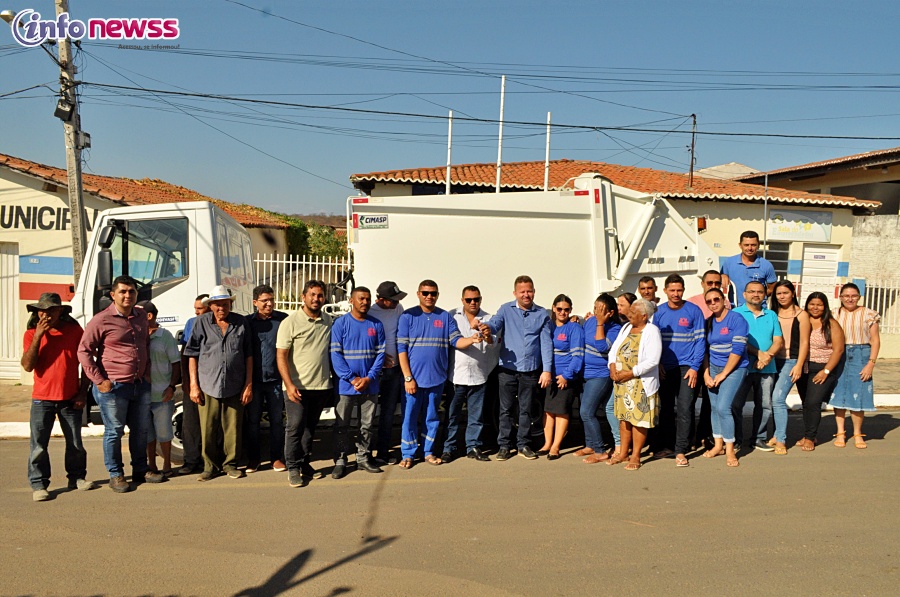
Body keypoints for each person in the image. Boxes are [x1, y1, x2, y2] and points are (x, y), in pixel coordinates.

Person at [78, 276, 159, 492]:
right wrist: (99, 380)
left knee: (141, 430)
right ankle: (116, 474)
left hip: (139, 384)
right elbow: (83, 351)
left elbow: (145, 344)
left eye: (131, 291)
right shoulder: (101, 320)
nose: (127, 295)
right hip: (113, 387)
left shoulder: (141, 315)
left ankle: (141, 469)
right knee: (114, 431)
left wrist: (147, 372)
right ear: (113, 295)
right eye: (122, 291)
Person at [21, 293, 95, 501]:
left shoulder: (75, 332)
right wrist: (38, 335)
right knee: (38, 446)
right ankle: (39, 484)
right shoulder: (30, 334)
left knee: (75, 443)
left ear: (60, 311)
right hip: (41, 399)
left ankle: (77, 478)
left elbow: (87, 363)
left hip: (70, 397)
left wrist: (82, 392)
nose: (46, 314)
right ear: (37, 312)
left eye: (51, 310)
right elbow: (27, 366)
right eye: (42, 310)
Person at [398, 280, 479, 468]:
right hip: (413, 381)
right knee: (409, 418)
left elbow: (456, 341)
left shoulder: (444, 317)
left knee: (432, 418)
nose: (429, 297)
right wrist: (408, 377)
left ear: (437, 295)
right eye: (425, 293)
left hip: (436, 379)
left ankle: (428, 452)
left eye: (433, 293)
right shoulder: (408, 316)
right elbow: (401, 349)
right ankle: (408, 454)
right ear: (418, 294)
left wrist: (472, 339)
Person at [183, 285, 253, 481]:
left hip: (235, 383)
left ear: (230, 304)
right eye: (218, 305)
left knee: (233, 429)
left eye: (225, 304)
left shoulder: (240, 323)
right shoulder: (201, 323)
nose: (222, 308)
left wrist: (248, 384)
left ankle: (230, 464)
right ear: (211, 306)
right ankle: (210, 466)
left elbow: (248, 354)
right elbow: (192, 354)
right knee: (209, 428)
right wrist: (194, 385)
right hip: (207, 384)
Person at [481, 275, 553, 462]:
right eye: (522, 292)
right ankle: (504, 446)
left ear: (534, 291)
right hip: (507, 369)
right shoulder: (506, 309)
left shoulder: (542, 314)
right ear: (515, 293)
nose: (526, 295)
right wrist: (486, 328)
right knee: (505, 410)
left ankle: (523, 445)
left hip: (530, 370)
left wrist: (547, 370)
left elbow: (546, 344)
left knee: (526, 409)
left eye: (529, 291)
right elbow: (495, 324)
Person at [277, 280, 334, 487]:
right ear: (303, 297)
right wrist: (289, 384)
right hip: (296, 388)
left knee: (310, 428)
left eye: (320, 295)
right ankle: (292, 467)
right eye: (312, 295)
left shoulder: (328, 320)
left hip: (320, 387)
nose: (316, 299)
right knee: (294, 427)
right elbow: (281, 356)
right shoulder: (290, 322)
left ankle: (304, 463)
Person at [329, 286, 386, 478]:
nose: (365, 302)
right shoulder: (341, 324)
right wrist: (352, 378)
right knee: (342, 425)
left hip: (370, 385)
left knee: (367, 425)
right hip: (346, 386)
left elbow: (380, 354)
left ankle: (363, 458)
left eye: (368, 299)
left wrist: (369, 377)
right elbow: (335, 355)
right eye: (361, 298)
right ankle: (341, 460)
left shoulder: (376, 324)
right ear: (351, 300)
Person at [652, 274, 705, 467]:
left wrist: (694, 367)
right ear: (665, 291)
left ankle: (681, 450)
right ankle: (667, 446)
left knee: (684, 408)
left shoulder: (694, 311)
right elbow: (653, 342)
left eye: (679, 290)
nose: (676, 294)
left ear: (683, 290)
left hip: (686, 368)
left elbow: (700, 341)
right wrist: (657, 364)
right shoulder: (658, 313)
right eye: (672, 290)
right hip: (665, 368)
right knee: (665, 409)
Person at [444, 285, 498, 463]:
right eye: (469, 300)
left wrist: (488, 334)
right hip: (456, 376)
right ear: (462, 301)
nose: (473, 302)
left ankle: (473, 446)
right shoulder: (452, 316)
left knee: (476, 416)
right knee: (452, 415)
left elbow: (494, 344)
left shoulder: (488, 318)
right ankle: (448, 448)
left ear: (481, 299)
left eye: (476, 299)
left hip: (478, 375)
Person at [607, 299, 662, 471]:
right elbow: (614, 350)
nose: (629, 314)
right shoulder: (626, 328)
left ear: (644, 316)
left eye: (633, 312)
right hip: (622, 384)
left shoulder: (652, 331)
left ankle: (636, 455)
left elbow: (653, 360)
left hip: (640, 384)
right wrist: (612, 367)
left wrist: (630, 373)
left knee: (639, 421)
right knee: (624, 420)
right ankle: (623, 452)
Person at [731, 281, 783, 452]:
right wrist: (758, 353)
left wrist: (766, 357)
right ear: (744, 294)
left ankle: (758, 438)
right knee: (736, 404)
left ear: (765, 295)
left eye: (760, 292)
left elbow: (778, 341)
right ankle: (736, 439)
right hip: (741, 367)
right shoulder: (735, 314)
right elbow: (736, 340)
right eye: (752, 291)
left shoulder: (771, 315)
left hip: (767, 368)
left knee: (764, 405)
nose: (756, 294)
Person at [702, 287, 749, 468]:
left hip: (735, 368)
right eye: (709, 301)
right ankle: (718, 445)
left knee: (723, 407)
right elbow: (704, 350)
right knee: (714, 407)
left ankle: (730, 450)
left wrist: (723, 374)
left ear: (724, 300)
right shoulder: (708, 322)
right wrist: (706, 373)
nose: (713, 303)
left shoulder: (737, 319)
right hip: (713, 367)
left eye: (716, 299)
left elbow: (737, 351)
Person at [831, 283, 880, 450]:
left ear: (859, 297)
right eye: (846, 296)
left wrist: (870, 364)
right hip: (840, 354)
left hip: (861, 353)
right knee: (840, 394)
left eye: (853, 296)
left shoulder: (869, 314)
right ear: (841, 297)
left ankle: (858, 433)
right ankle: (840, 432)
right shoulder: (834, 314)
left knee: (858, 395)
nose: (850, 299)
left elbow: (875, 340)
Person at [245, 284, 288, 473]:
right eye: (264, 301)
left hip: (276, 381)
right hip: (253, 381)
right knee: (252, 422)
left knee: (277, 421)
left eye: (271, 299)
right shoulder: (247, 323)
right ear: (255, 303)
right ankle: (253, 459)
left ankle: (276, 458)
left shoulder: (283, 320)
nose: (269, 304)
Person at [796, 292, 845, 451]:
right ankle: (808, 434)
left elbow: (838, 350)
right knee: (806, 404)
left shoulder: (831, 324)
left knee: (813, 402)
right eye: (812, 304)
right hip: (804, 368)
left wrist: (826, 371)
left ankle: (810, 438)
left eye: (819, 304)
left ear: (825, 306)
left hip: (823, 367)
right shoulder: (803, 320)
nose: (815, 307)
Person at [137, 300, 181, 479]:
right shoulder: (137, 335)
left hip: (162, 393)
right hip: (142, 395)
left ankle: (167, 463)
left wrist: (171, 387)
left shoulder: (165, 336)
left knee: (164, 432)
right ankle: (152, 464)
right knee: (148, 433)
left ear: (149, 316)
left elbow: (176, 364)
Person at [538, 294, 584, 460]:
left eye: (566, 309)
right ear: (553, 308)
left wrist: (566, 375)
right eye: (559, 309)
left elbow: (578, 356)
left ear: (571, 310)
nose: (563, 312)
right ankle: (547, 444)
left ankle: (556, 446)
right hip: (549, 375)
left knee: (561, 412)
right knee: (548, 411)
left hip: (565, 377)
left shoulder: (574, 328)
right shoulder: (549, 326)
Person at [578, 294, 622, 464]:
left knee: (586, 412)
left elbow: (602, 347)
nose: (597, 311)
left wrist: (600, 323)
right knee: (585, 411)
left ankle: (600, 450)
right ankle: (589, 444)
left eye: (601, 309)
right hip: (585, 373)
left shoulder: (615, 329)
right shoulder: (589, 322)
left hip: (600, 374)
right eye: (595, 307)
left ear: (610, 312)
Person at [769, 281, 810, 455]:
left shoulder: (801, 315)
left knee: (778, 398)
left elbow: (804, 342)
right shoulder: (772, 313)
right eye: (779, 293)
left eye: (785, 293)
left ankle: (781, 440)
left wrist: (799, 365)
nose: (782, 296)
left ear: (793, 293)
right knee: (770, 399)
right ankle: (775, 434)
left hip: (790, 361)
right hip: (772, 361)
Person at [369, 281, 407, 465]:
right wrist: (379, 356)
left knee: (388, 412)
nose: (396, 302)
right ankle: (366, 453)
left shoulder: (398, 309)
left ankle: (383, 452)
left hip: (394, 370)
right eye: (393, 300)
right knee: (368, 413)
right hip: (374, 371)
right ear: (381, 300)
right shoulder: (369, 313)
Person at [178, 294, 208, 475]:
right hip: (193, 381)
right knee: (190, 423)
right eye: (195, 308)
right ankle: (190, 461)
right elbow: (185, 355)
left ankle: (208, 461)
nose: (196, 312)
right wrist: (187, 382)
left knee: (210, 425)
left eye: (200, 309)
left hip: (212, 382)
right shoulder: (191, 323)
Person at [720, 231, 777, 306]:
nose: (750, 248)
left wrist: (757, 297)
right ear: (740, 245)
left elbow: (772, 288)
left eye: (753, 245)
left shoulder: (766, 265)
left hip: (757, 310)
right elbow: (718, 283)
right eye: (746, 245)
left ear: (758, 245)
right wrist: (722, 275)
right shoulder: (729, 262)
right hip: (735, 309)